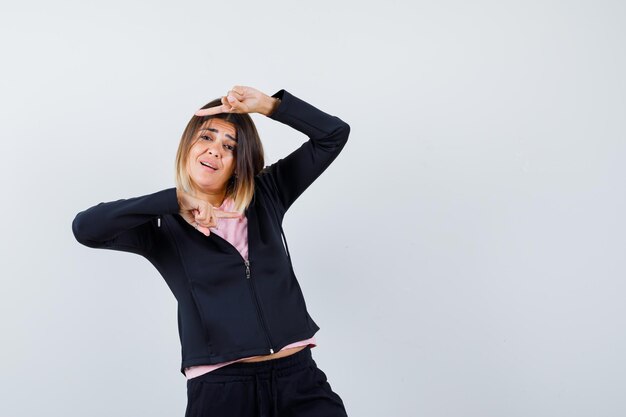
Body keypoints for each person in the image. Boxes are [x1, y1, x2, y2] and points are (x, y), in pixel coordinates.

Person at [72, 85, 351, 416]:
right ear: (188, 145)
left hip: (299, 380)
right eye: (207, 137)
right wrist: (174, 200)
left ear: (239, 160)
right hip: (222, 390)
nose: (216, 150)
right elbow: (85, 229)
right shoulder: (161, 225)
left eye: (229, 145)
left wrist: (270, 106)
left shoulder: (268, 194)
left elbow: (333, 135)